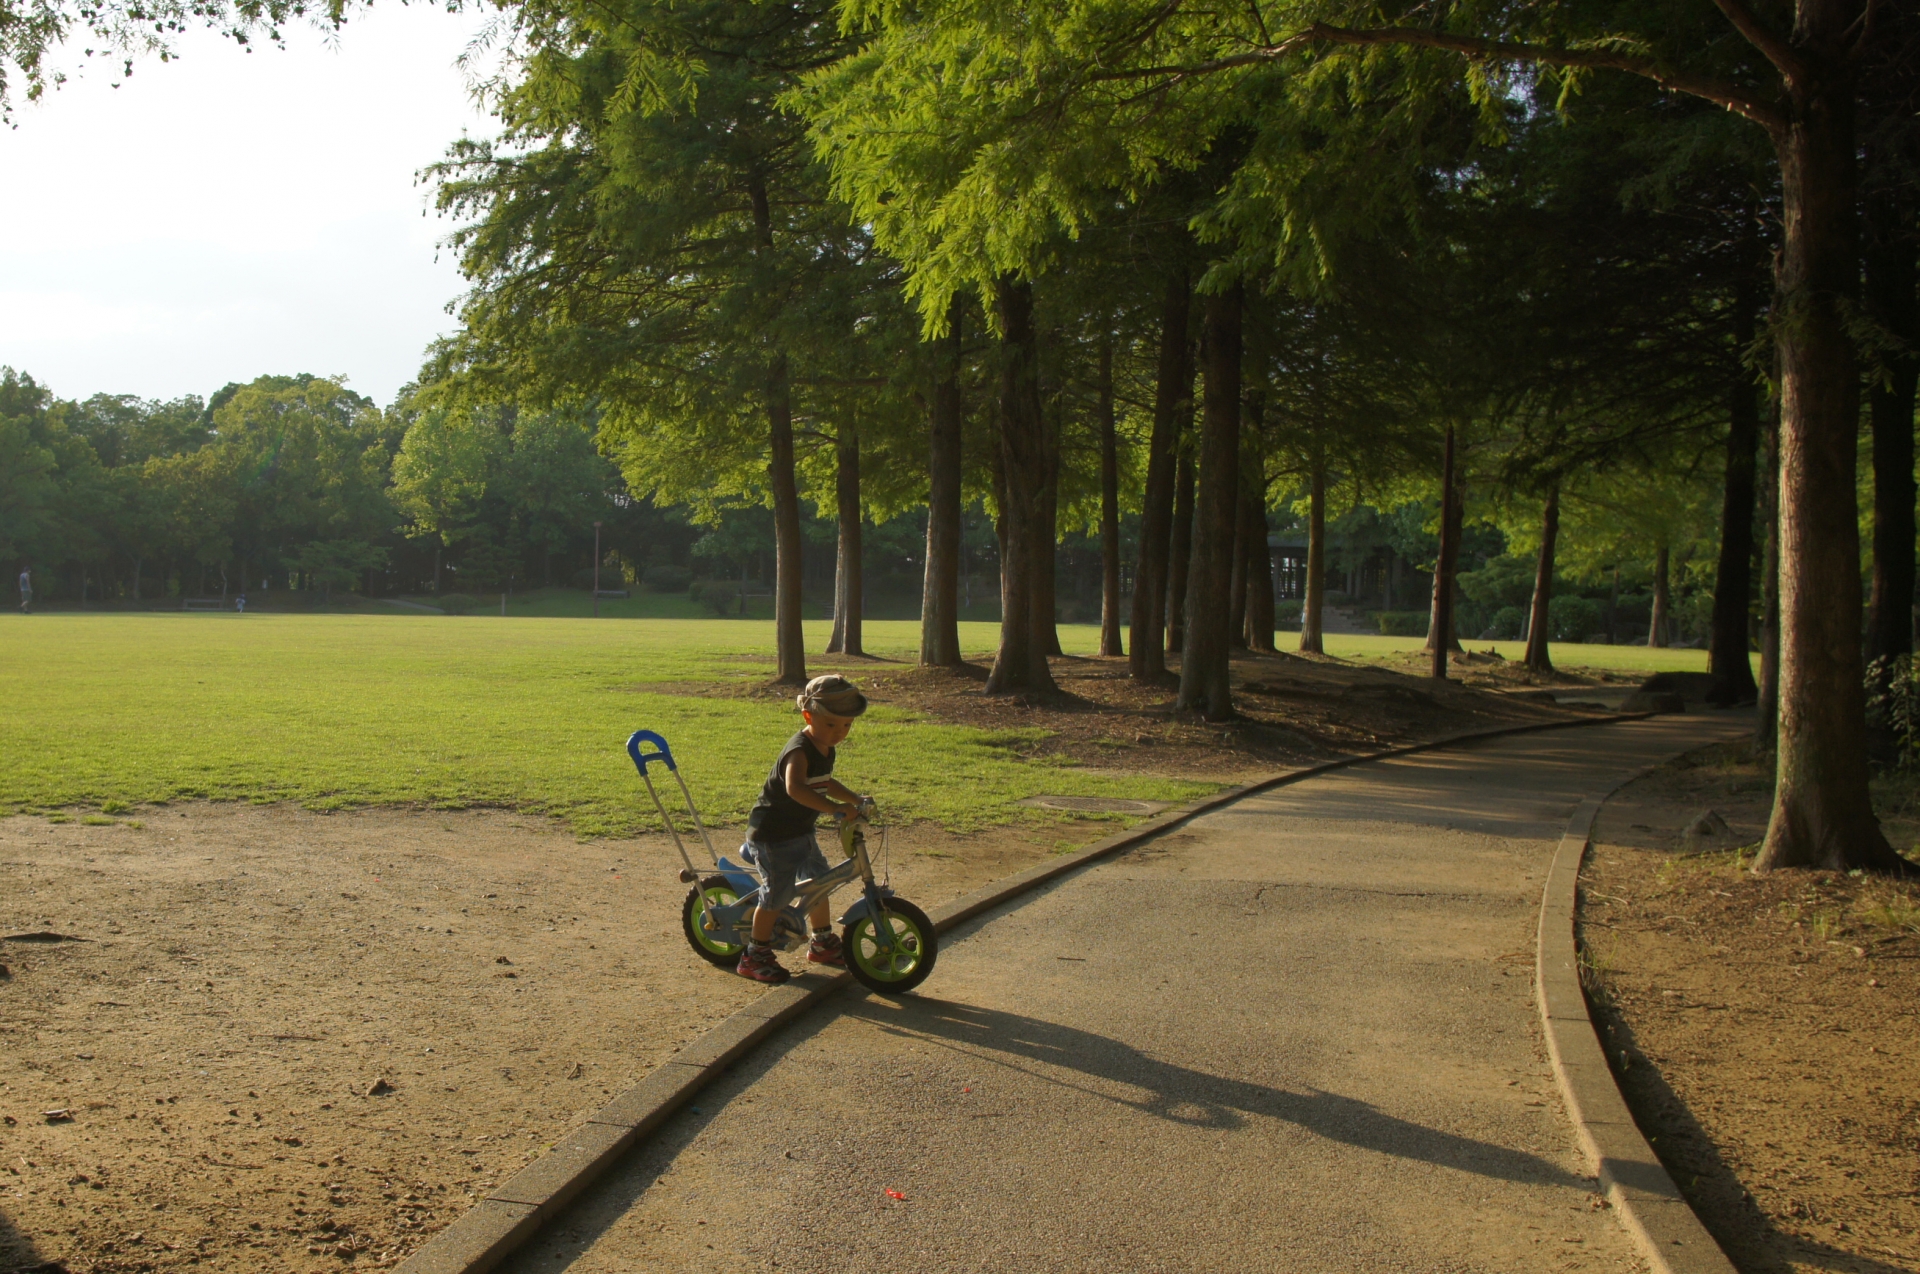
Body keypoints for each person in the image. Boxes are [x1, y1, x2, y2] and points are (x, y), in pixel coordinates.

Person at [736, 674, 870, 984]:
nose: (839, 733)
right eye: (832, 725)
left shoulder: (824, 747)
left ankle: (821, 942)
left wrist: (854, 798)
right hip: (773, 835)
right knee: (777, 895)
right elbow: (796, 788)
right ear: (808, 716)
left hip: (800, 831)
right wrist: (835, 809)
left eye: (847, 726)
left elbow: (824, 782)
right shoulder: (799, 749)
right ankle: (754, 954)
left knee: (820, 882)